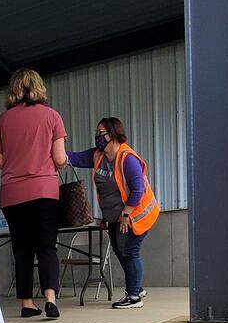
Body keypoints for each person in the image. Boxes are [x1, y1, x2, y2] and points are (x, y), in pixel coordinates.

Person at [0, 68, 68, 319]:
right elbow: (59, 158)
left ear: (13, 89)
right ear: (39, 87)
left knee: (22, 250)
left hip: (12, 194)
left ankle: (26, 303)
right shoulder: (52, 116)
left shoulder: (3, 120)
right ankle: (50, 299)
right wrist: (62, 160)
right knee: (47, 247)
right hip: (44, 191)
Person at [66, 117, 159, 309]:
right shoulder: (98, 156)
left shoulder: (127, 158)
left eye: (102, 133)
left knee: (129, 251)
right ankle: (137, 288)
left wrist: (126, 214)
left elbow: (138, 190)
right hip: (115, 217)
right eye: (97, 133)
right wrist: (55, 145)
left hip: (135, 215)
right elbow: (73, 158)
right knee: (119, 251)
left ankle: (134, 297)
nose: (98, 137)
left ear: (114, 134)